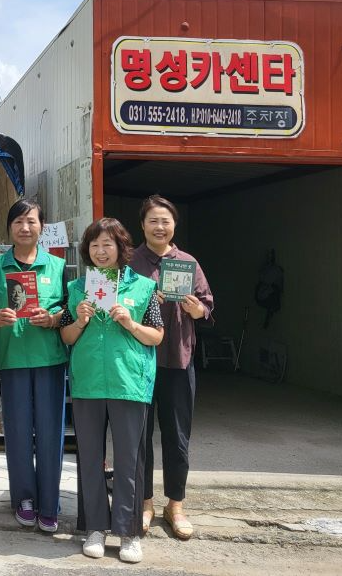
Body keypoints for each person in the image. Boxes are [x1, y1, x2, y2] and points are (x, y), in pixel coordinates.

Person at [60, 217, 164, 564]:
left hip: (128, 383)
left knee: (129, 462)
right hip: (88, 381)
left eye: (108, 244)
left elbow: (157, 336)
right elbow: (66, 338)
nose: (101, 251)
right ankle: (94, 528)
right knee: (89, 457)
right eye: (94, 245)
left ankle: (130, 531)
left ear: (122, 248)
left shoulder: (143, 287)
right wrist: (79, 320)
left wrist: (129, 322)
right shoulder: (78, 289)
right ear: (87, 251)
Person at [130, 195, 214, 540]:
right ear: (143, 225)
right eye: (153, 221)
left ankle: (175, 505)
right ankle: (146, 503)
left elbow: (208, 305)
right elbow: (117, 305)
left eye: (165, 221)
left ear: (174, 225)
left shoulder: (187, 263)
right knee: (141, 436)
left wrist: (197, 310)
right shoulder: (131, 262)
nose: (159, 227)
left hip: (178, 360)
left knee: (178, 438)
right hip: (139, 362)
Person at [0, 200, 68, 533]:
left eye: (31, 221)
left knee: (50, 432)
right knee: (17, 432)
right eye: (18, 221)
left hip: (50, 357)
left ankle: (50, 502)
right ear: (10, 228)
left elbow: (68, 309)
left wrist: (53, 318)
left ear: (41, 227)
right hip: (13, 357)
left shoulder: (57, 267)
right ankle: (25, 499)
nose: (24, 227)